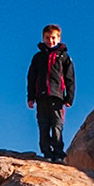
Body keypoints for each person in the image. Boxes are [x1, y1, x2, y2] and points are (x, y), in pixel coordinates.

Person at [25, 24, 75, 162]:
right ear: (43, 38)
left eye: (53, 38)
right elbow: (31, 78)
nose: (50, 41)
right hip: (41, 97)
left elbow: (70, 78)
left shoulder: (64, 57)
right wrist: (30, 97)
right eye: (47, 38)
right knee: (43, 125)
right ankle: (47, 153)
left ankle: (58, 154)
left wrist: (69, 97)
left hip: (57, 97)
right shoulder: (38, 57)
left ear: (58, 38)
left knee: (57, 125)